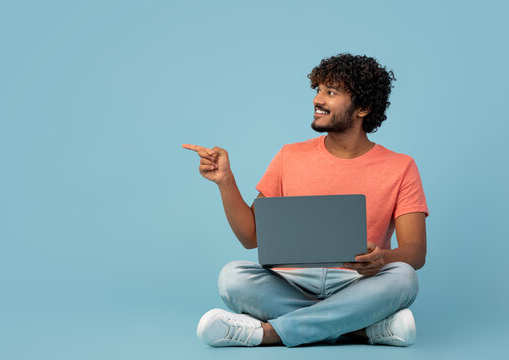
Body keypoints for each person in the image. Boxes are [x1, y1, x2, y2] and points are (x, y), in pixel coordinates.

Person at [182, 53, 429, 348]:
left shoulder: (401, 166)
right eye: (318, 90)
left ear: (362, 107)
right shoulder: (290, 156)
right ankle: (361, 330)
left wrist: (382, 259)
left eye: (331, 92)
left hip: (358, 284)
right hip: (291, 283)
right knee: (232, 278)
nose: (317, 99)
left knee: (403, 277)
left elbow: (416, 253)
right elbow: (251, 237)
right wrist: (226, 182)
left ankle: (266, 334)